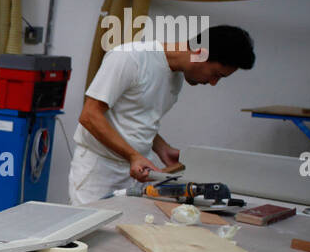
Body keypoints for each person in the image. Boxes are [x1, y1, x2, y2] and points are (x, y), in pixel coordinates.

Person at [68, 25, 255, 205]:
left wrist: (161, 148)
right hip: (99, 171)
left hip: (136, 172)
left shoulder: (175, 76)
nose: (213, 83)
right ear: (200, 53)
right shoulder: (130, 58)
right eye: (216, 75)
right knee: (89, 233)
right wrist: (133, 155)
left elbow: (134, 116)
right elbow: (89, 115)